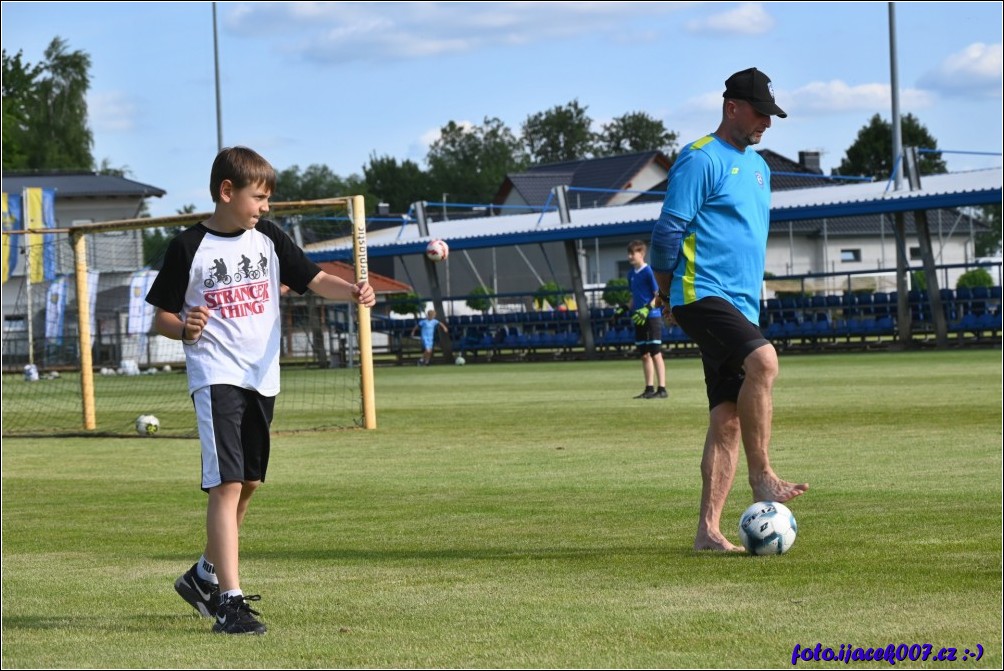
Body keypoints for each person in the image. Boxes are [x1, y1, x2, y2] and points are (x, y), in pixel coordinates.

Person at [145, 146, 376, 634]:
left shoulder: (268, 237)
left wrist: (353, 290)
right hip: (216, 375)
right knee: (227, 484)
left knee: (249, 483)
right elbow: (162, 317)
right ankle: (228, 603)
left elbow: (314, 279)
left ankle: (203, 576)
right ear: (227, 192)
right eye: (260, 197)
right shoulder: (189, 246)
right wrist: (184, 328)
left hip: (261, 376)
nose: (266, 207)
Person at [649, 67, 808, 552]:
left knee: (727, 416)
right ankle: (762, 477)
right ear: (732, 107)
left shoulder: (760, 169)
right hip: (700, 291)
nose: (767, 123)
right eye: (760, 113)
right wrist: (665, 293)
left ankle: (708, 532)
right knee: (764, 360)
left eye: (771, 115)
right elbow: (667, 231)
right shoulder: (701, 158)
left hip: (741, 303)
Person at [622, 240, 667, 399]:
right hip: (638, 318)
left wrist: (647, 309)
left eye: (632, 253)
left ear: (641, 253)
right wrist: (623, 308)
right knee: (644, 354)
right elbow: (634, 298)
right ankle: (649, 388)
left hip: (652, 317)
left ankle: (662, 389)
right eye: (629, 253)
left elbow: (658, 296)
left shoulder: (649, 272)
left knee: (655, 352)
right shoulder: (631, 274)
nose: (629, 256)